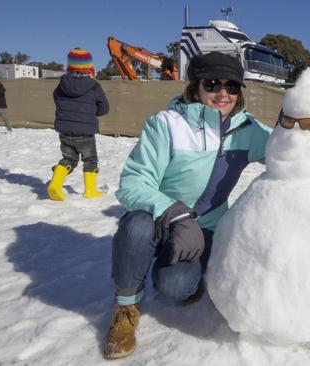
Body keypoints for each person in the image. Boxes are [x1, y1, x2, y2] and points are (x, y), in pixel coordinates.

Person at [103, 51, 272, 359]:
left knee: (177, 287)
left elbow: (287, 149)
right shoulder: (167, 124)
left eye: (232, 86)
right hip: (160, 217)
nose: (223, 93)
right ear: (196, 87)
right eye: (212, 84)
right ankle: (126, 309)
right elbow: (132, 183)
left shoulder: (249, 130)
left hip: (206, 225)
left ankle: (165, 265)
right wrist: (176, 215)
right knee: (136, 225)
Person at [47, 48, 109, 201]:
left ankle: (55, 183)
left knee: (68, 159)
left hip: (65, 131)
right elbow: (104, 108)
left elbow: (57, 101)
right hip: (85, 132)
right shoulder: (94, 86)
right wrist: (90, 113)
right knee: (90, 160)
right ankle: (90, 191)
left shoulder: (61, 85)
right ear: (89, 67)